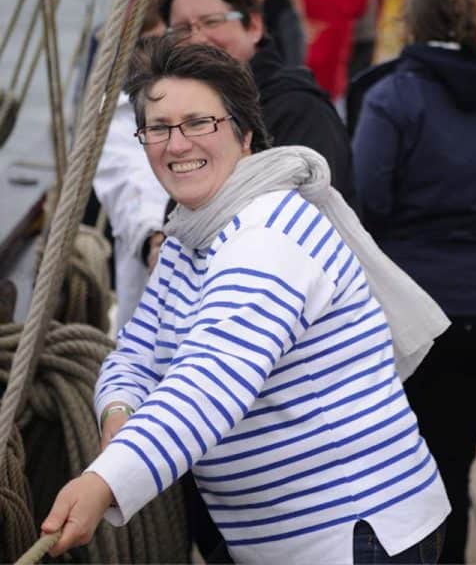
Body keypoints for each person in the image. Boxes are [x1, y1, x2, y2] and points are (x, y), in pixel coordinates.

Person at [41, 38, 450, 564]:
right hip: (279, 540)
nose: (177, 143)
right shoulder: (191, 237)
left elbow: (211, 382)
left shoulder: (269, 234)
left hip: (353, 533)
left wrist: (104, 482)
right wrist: (119, 413)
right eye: (159, 128)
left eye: (198, 123)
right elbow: (133, 356)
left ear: (245, 133)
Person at [352, 0, 476, 563]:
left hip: (406, 318)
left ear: (410, 25)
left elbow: (368, 202)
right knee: (452, 472)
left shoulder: (392, 97)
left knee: (385, 474)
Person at [157, 0, 356, 204]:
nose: (197, 38)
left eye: (211, 22)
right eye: (181, 29)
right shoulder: (177, 117)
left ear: (253, 26)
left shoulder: (299, 109)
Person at [92, 1, 169, 331]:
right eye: (142, 45)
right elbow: (127, 182)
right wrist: (153, 237)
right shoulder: (117, 114)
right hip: (148, 278)